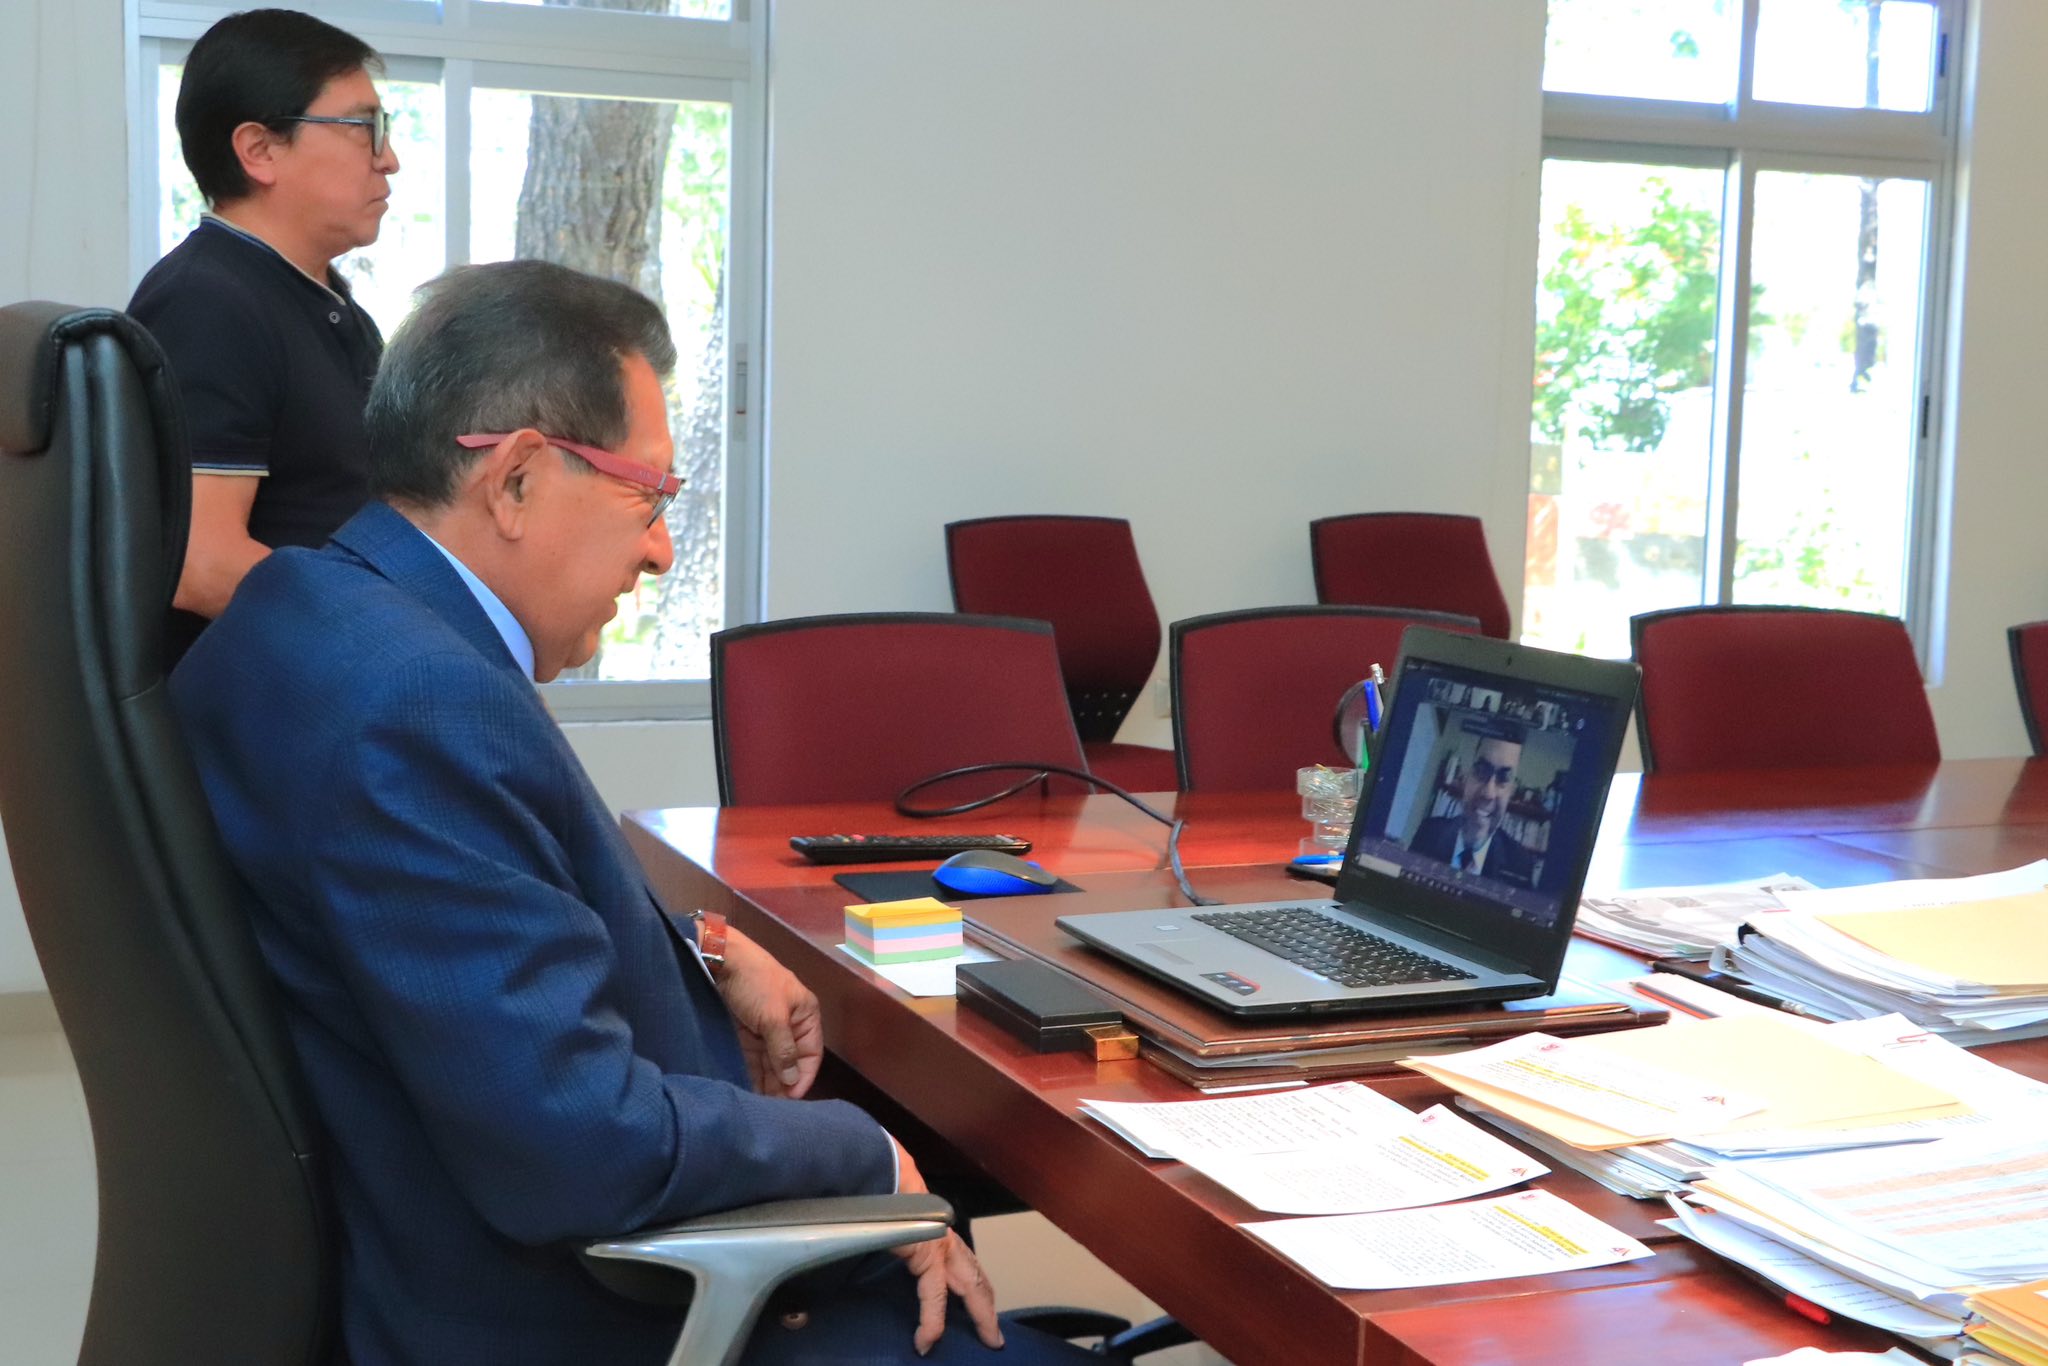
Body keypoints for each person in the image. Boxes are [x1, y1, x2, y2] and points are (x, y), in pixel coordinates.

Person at [170, 261, 1100, 1366]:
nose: (660, 548)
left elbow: (471, 914)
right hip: (577, 1310)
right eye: (649, 497)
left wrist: (700, 956)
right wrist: (864, 1153)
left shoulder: (308, 613)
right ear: (514, 478)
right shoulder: (420, 705)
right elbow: (574, 1144)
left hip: (448, 1233)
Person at [130, 8, 398, 662]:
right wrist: (395, 634)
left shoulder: (328, 303)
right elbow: (204, 561)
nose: (388, 158)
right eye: (364, 128)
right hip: (264, 710)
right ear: (259, 150)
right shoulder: (209, 303)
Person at [1408, 725, 1537, 889]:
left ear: (1512, 790)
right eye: (1482, 771)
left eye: (1503, 778)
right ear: (1467, 775)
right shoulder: (1429, 832)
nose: (1488, 793)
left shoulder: (1520, 864)